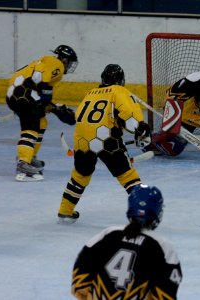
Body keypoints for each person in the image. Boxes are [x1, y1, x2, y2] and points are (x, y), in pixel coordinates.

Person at [57, 64, 152, 224]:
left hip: (82, 141)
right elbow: (128, 113)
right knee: (127, 175)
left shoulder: (90, 93)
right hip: (106, 140)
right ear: (121, 80)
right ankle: (145, 213)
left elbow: (79, 116)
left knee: (80, 175)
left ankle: (65, 211)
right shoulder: (119, 90)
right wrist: (140, 130)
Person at [71, 184, 183, 300]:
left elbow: (82, 268)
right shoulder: (163, 247)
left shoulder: (108, 234)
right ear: (158, 211)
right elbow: (166, 294)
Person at [6, 44, 78, 181]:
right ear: (65, 59)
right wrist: (50, 102)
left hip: (19, 94)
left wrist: (54, 107)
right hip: (23, 95)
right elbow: (40, 81)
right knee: (31, 128)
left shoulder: (46, 64)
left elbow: (40, 90)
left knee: (41, 122)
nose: (69, 66)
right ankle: (23, 163)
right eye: (70, 62)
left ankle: (30, 156)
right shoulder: (56, 63)